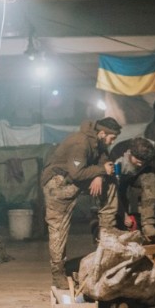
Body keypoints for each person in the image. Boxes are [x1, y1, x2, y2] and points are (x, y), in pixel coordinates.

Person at [40, 116, 121, 289]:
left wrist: (99, 175)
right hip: (58, 184)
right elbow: (77, 173)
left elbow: (103, 160)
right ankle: (58, 273)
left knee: (109, 181)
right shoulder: (81, 143)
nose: (112, 142)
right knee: (58, 229)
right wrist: (101, 171)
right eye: (111, 138)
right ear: (102, 133)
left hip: (72, 180)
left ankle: (107, 234)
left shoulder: (96, 140)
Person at [110, 137, 155, 241]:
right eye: (138, 161)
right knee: (121, 195)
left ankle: (148, 224)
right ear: (130, 154)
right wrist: (124, 215)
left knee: (150, 178)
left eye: (144, 162)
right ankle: (121, 225)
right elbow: (114, 191)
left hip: (138, 175)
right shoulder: (117, 156)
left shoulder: (152, 147)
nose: (140, 164)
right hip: (121, 177)